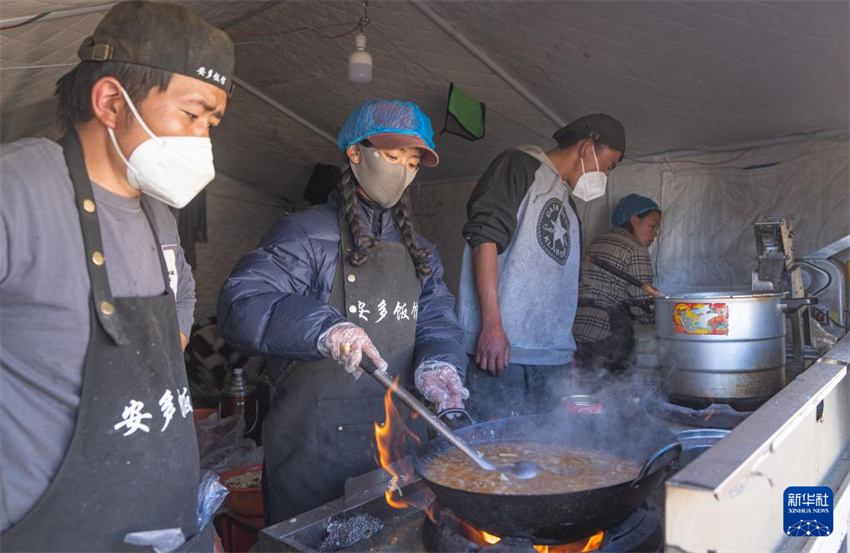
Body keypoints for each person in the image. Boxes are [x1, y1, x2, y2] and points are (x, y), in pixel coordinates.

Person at [0, 2, 234, 550]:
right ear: (110, 100)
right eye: (193, 115)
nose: (203, 138)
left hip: (170, 525)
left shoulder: (158, 211)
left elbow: (181, 299)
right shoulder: (17, 189)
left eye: (212, 124)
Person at [217, 100, 468, 525]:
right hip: (313, 451)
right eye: (391, 157)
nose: (402, 171)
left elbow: (437, 321)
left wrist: (440, 362)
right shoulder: (305, 234)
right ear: (355, 153)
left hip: (397, 447)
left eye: (411, 162)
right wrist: (326, 328)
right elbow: (242, 302)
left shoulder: (421, 250)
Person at [456, 114, 625, 420]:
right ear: (588, 148)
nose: (605, 177)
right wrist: (492, 325)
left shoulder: (570, 208)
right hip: (503, 353)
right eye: (609, 166)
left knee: (546, 452)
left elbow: (560, 284)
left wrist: (564, 348)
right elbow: (485, 239)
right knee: (496, 455)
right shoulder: (519, 166)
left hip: (551, 360)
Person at [573, 194, 661, 377]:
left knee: (587, 391)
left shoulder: (598, 240)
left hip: (577, 330)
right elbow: (642, 306)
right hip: (608, 334)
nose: (656, 233)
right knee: (615, 392)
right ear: (635, 219)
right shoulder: (635, 248)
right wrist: (666, 319)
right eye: (652, 226)